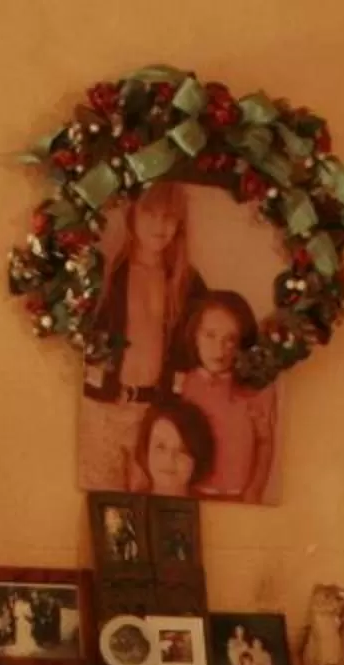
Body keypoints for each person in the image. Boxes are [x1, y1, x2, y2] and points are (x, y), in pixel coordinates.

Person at [75, 181, 206, 491]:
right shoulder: (106, 275)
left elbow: (196, 348)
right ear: (132, 213)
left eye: (170, 217)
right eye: (150, 213)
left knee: (148, 506)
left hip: (154, 418)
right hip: (102, 410)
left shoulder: (187, 284)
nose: (160, 226)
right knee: (101, 506)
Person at [171, 290, 276, 503]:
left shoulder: (254, 390)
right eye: (210, 335)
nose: (218, 349)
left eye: (230, 340)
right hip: (191, 495)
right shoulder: (184, 384)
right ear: (195, 335)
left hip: (238, 496)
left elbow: (265, 443)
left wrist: (254, 490)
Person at [137, 393, 215, 499]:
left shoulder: (213, 509)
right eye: (161, 447)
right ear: (146, 449)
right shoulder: (128, 507)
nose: (169, 459)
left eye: (182, 450)